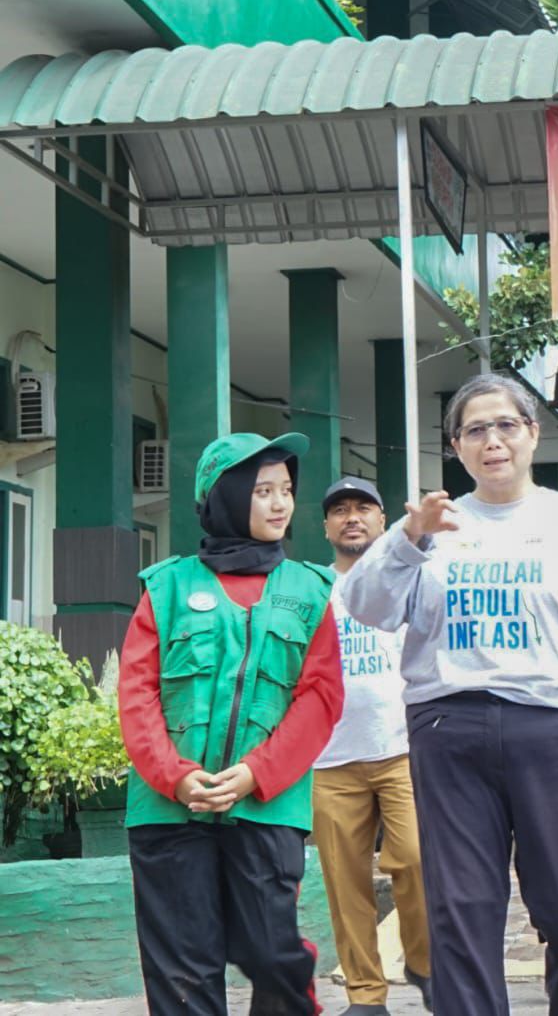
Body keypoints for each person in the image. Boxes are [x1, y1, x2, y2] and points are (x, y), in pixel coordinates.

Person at [343, 373, 558, 1016]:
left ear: (531, 433)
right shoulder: (427, 525)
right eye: (474, 430)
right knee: (461, 912)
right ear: (456, 446)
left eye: (505, 425)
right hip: (449, 733)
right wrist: (409, 542)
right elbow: (366, 607)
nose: (491, 440)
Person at [118, 432, 342, 1016]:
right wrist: (175, 776)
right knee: (183, 970)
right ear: (223, 495)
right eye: (262, 490)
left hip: (268, 804)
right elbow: (137, 693)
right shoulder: (166, 586)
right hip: (169, 809)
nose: (279, 504)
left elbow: (320, 697)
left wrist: (253, 774)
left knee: (272, 955)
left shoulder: (311, 590)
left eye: (286, 490)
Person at [312, 477, 430, 1016]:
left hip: (403, 749)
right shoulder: (313, 592)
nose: (351, 517)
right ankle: (365, 995)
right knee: (345, 882)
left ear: (383, 521)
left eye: (363, 508)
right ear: (326, 527)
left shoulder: (409, 579)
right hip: (331, 757)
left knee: (415, 862)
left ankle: (424, 963)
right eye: (340, 510)